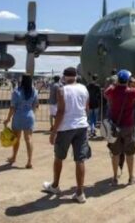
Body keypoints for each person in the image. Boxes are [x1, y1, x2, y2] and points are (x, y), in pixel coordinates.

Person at [44, 67, 90, 204]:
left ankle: (55, 185)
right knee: (80, 159)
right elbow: (87, 108)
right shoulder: (84, 89)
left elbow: (61, 112)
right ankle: (80, 193)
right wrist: (83, 121)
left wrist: (53, 131)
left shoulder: (62, 90)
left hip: (66, 127)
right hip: (82, 126)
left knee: (59, 157)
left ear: (64, 77)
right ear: (76, 76)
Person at [104, 70, 135, 185]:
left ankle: (114, 178)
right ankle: (131, 177)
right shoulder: (132, 92)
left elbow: (106, 92)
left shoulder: (112, 90)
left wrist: (115, 83)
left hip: (114, 127)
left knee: (115, 153)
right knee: (130, 153)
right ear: (128, 80)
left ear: (118, 79)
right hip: (128, 126)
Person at [3, 75, 39, 169]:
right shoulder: (34, 91)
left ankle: (14, 157)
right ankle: (29, 161)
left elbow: (13, 107)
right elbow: (35, 105)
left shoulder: (16, 91)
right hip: (29, 115)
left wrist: (8, 118)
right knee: (29, 139)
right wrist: (32, 114)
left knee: (16, 139)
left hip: (18, 116)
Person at [86, 74, 102, 139]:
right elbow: (99, 95)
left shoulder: (88, 86)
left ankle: (92, 130)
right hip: (96, 104)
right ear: (97, 79)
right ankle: (93, 130)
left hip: (89, 103)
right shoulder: (97, 86)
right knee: (95, 118)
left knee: (90, 118)